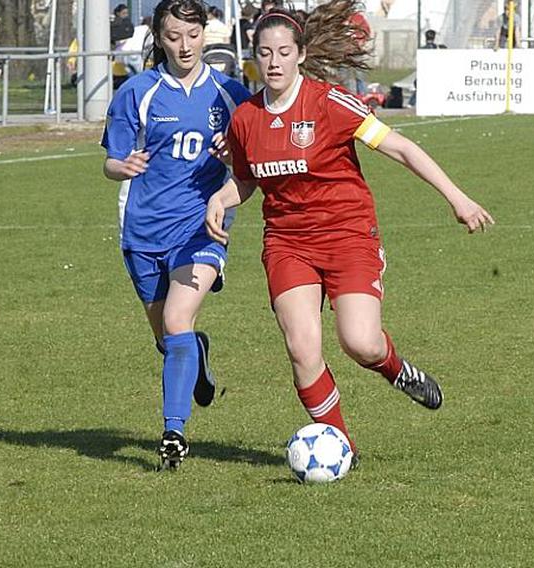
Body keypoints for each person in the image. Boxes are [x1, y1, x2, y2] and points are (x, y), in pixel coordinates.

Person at [205, 1, 494, 457]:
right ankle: (340, 446)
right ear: (254, 57)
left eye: (283, 51)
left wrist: (456, 197)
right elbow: (246, 180)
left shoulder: (328, 102)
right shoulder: (246, 119)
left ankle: (396, 369)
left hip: (347, 235)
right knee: (302, 350)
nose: (274, 61)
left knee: (360, 342)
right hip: (287, 243)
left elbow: (399, 148)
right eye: (265, 52)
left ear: (300, 54)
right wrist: (220, 200)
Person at [100, 0, 251, 470]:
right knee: (170, 338)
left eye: (192, 35)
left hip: (200, 226)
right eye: (173, 37)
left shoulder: (231, 93)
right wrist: (119, 166)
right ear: (158, 38)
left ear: (205, 34)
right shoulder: (137, 92)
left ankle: (173, 433)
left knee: (177, 319)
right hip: (144, 230)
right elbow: (110, 161)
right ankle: (195, 354)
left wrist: (235, 155)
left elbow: (254, 165)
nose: (184, 46)